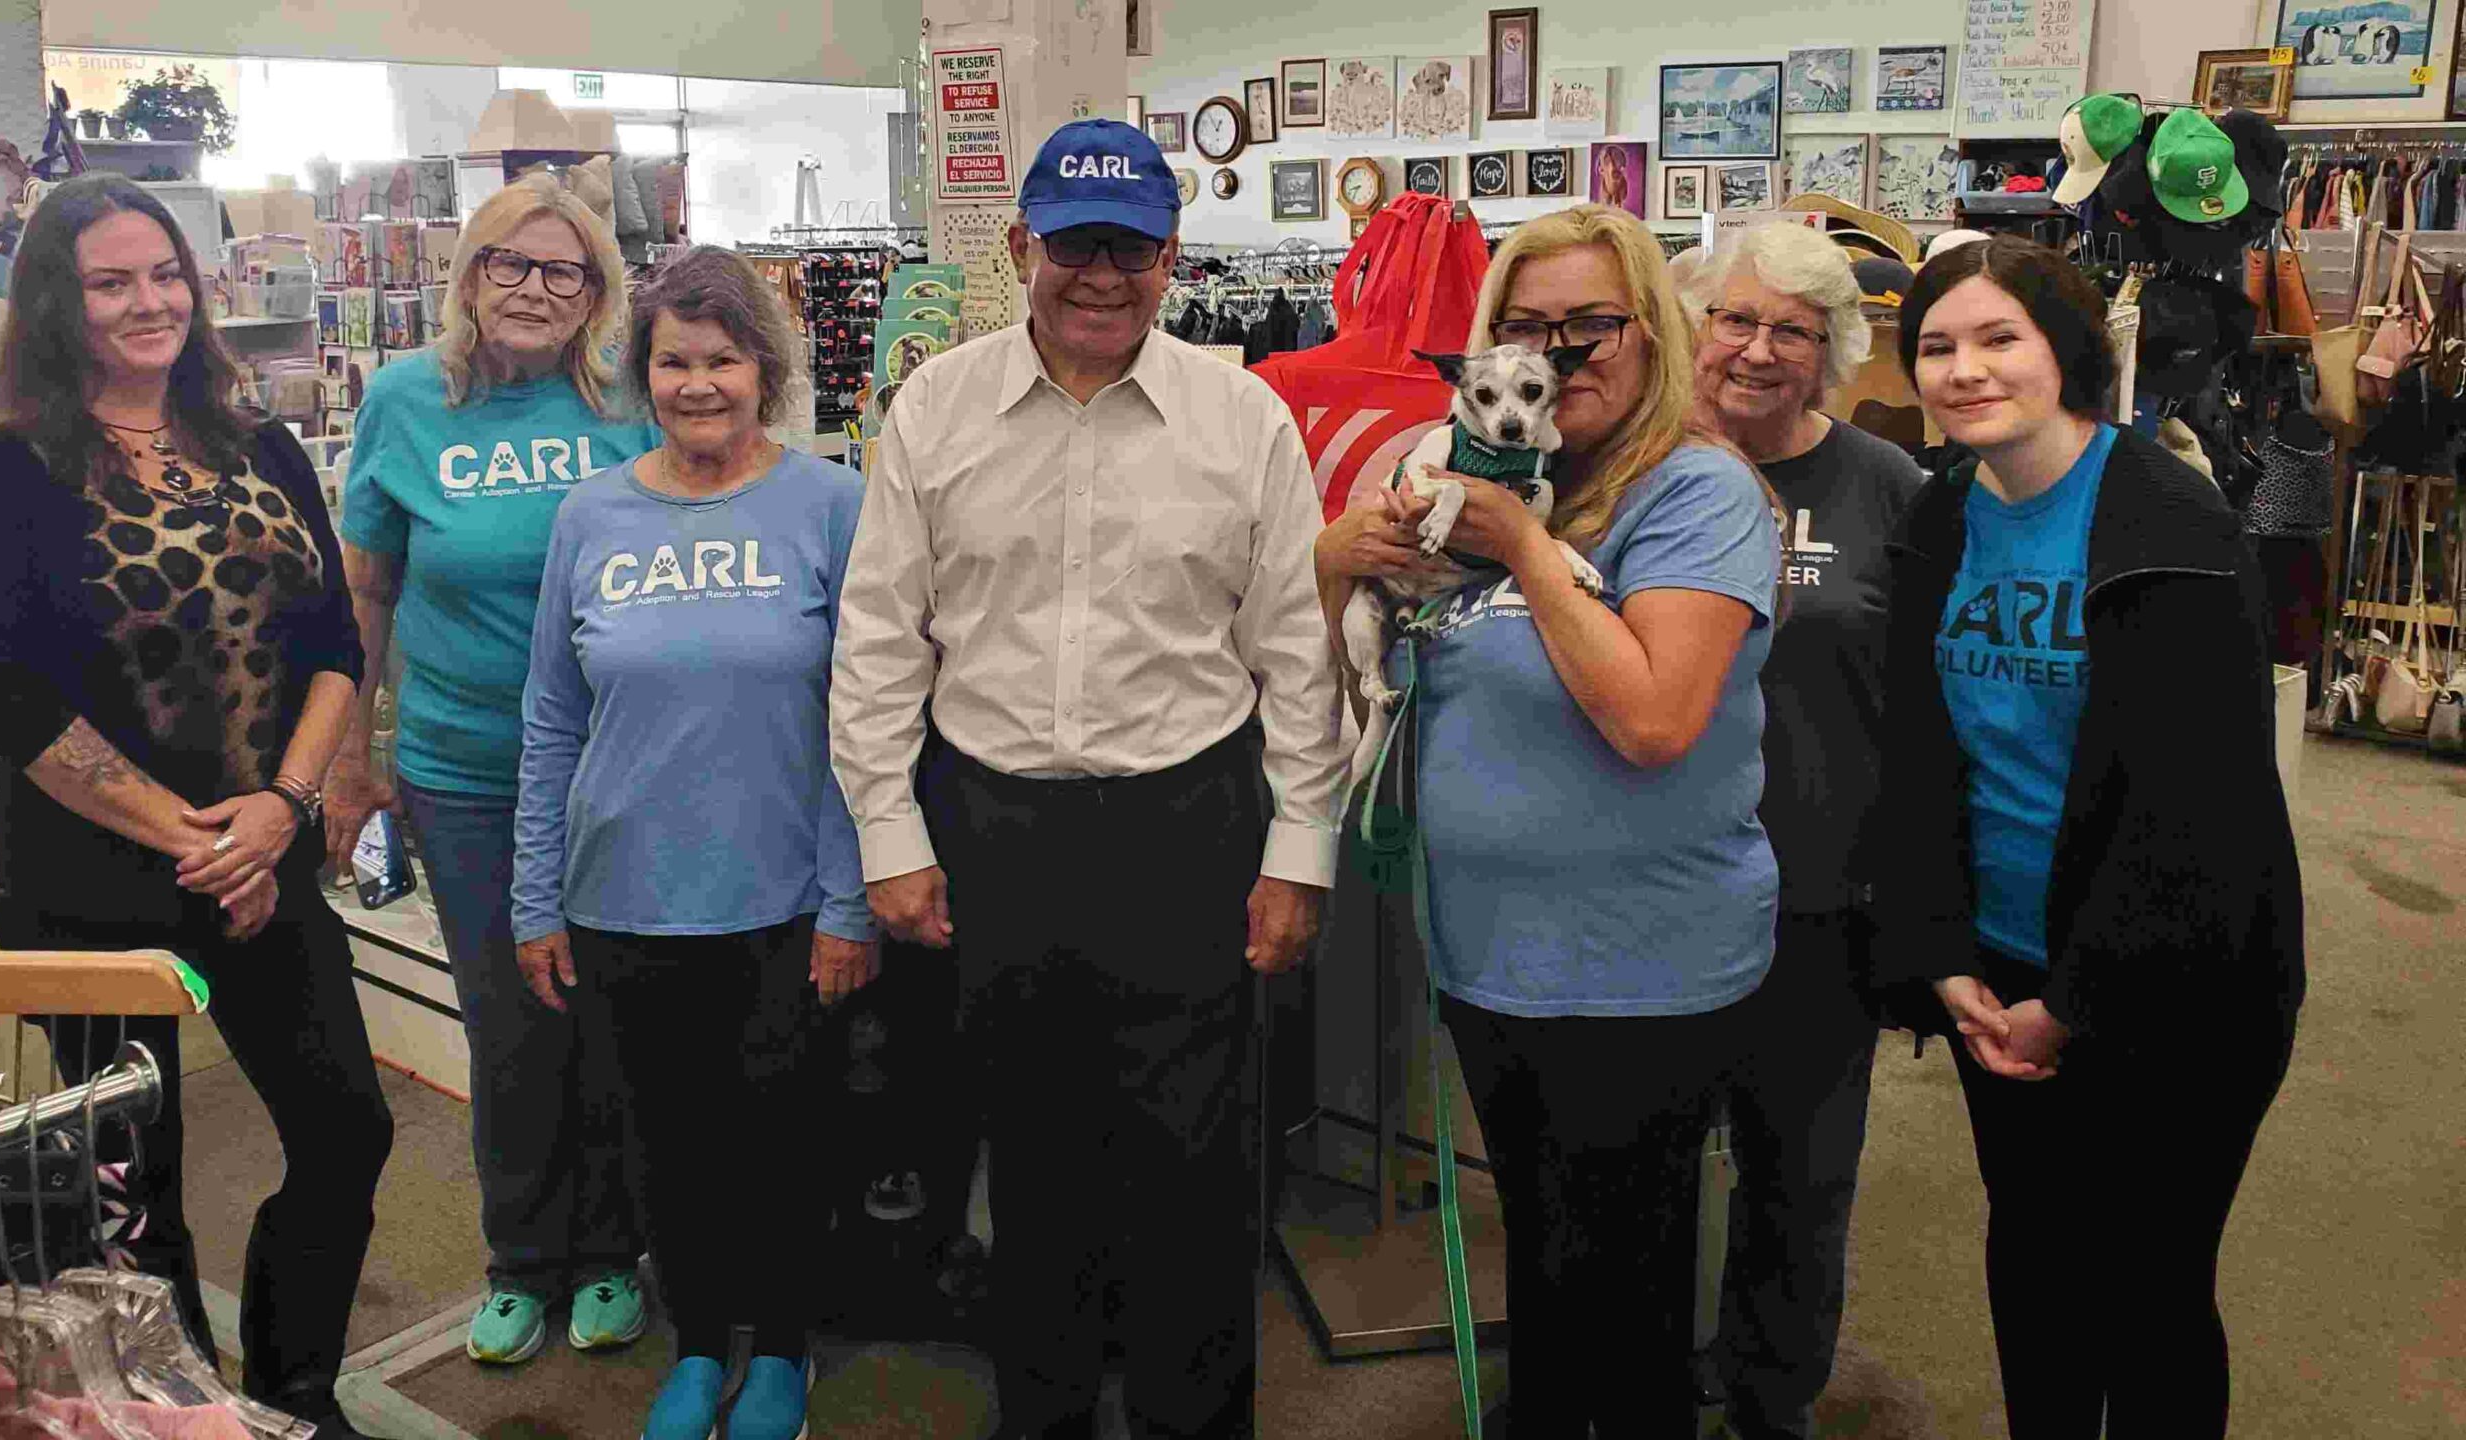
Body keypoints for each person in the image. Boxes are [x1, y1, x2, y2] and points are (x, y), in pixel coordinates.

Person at [829, 119, 1344, 1440]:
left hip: (1188, 824)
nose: (1101, 273)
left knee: (1194, 1174)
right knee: (1035, 1164)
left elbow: (1296, 646)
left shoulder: (1244, 416)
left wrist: (1302, 851)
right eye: (1075, 244)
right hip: (994, 827)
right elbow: (883, 634)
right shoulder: (936, 408)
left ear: (1172, 256)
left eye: (1131, 246)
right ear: (1023, 250)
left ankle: (1194, 1422)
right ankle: (1044, 1416)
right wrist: (888, 827)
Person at [0, 174, 392, 1438]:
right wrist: (188, 836)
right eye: (112, 282)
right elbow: (5, 698)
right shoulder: (6, 472)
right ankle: (180, 1409)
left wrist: (284, 810)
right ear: (55, 306)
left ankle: (295, 1386)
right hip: (96, 889)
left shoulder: (260, 443)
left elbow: (333, 644)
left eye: (166, 274)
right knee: (136, 1182)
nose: (151, 303)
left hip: (268, 857)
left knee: (345, 1130)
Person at [1314, 202, 1782, 1437]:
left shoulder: (1695, 491)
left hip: (1639, 964)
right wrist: (1336, 564)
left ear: (1648, 333)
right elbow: (1379, 671)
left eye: (1588, 327)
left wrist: (1519, 545)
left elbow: (1651, 720)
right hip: (1491, 958)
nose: (1561, 356)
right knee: (1544, 1253)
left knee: (1624, 1292)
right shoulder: (1495, 486)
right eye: (1525, 329)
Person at [1873, 235, 2304, 1437]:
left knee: (2151, 1290)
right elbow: (1915, 755)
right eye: (1937, 347)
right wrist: (1941, 952)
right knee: (2037, 1268)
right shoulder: (1939, 515)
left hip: (2179, 987)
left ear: (2064, 352)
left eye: (1995, 339)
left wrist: (2070, 1005)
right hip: (1996, 971)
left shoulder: (2172, 521)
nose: (1963, 370)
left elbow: (2196, 810)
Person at [510, 246, 873, 1440]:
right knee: (668, 1147)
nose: (698, 383)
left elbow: (864, 718)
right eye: (675, 361)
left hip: (778, 897)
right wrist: (533, 898)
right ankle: (700, 1341)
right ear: (642, 372)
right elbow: (554, 714)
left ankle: (780, 1353)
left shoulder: (829, 505)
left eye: (722, 359)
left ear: (763, 369)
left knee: (782, 1144)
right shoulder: (590, 514)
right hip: (623, 896)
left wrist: (847, 902)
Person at [328, 172, 659, 1364]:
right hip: (465, 769)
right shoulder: (408, 401)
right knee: (511, 1021)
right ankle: (524, 1257)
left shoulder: (632, 393)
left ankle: (615, 1249)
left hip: (623, 767)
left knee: (617, 1009)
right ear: (467, 277)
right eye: (506, 265)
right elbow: (365, 592)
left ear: (595, 292)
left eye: (561, 270)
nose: (531, 288)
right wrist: (348, 762)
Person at [1681, 224, 1922, 1440]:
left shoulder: (1890, 489)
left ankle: (1773, 1399)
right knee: (1639, 1170)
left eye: (1793, 330)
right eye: (1735, 318)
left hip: (1819, 896)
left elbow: (1930, 707)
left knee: (1799, 1178)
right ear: (1691, 326)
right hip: (1653, 894)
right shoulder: (1633, 473)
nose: (1757, 349)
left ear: (1835, 353)